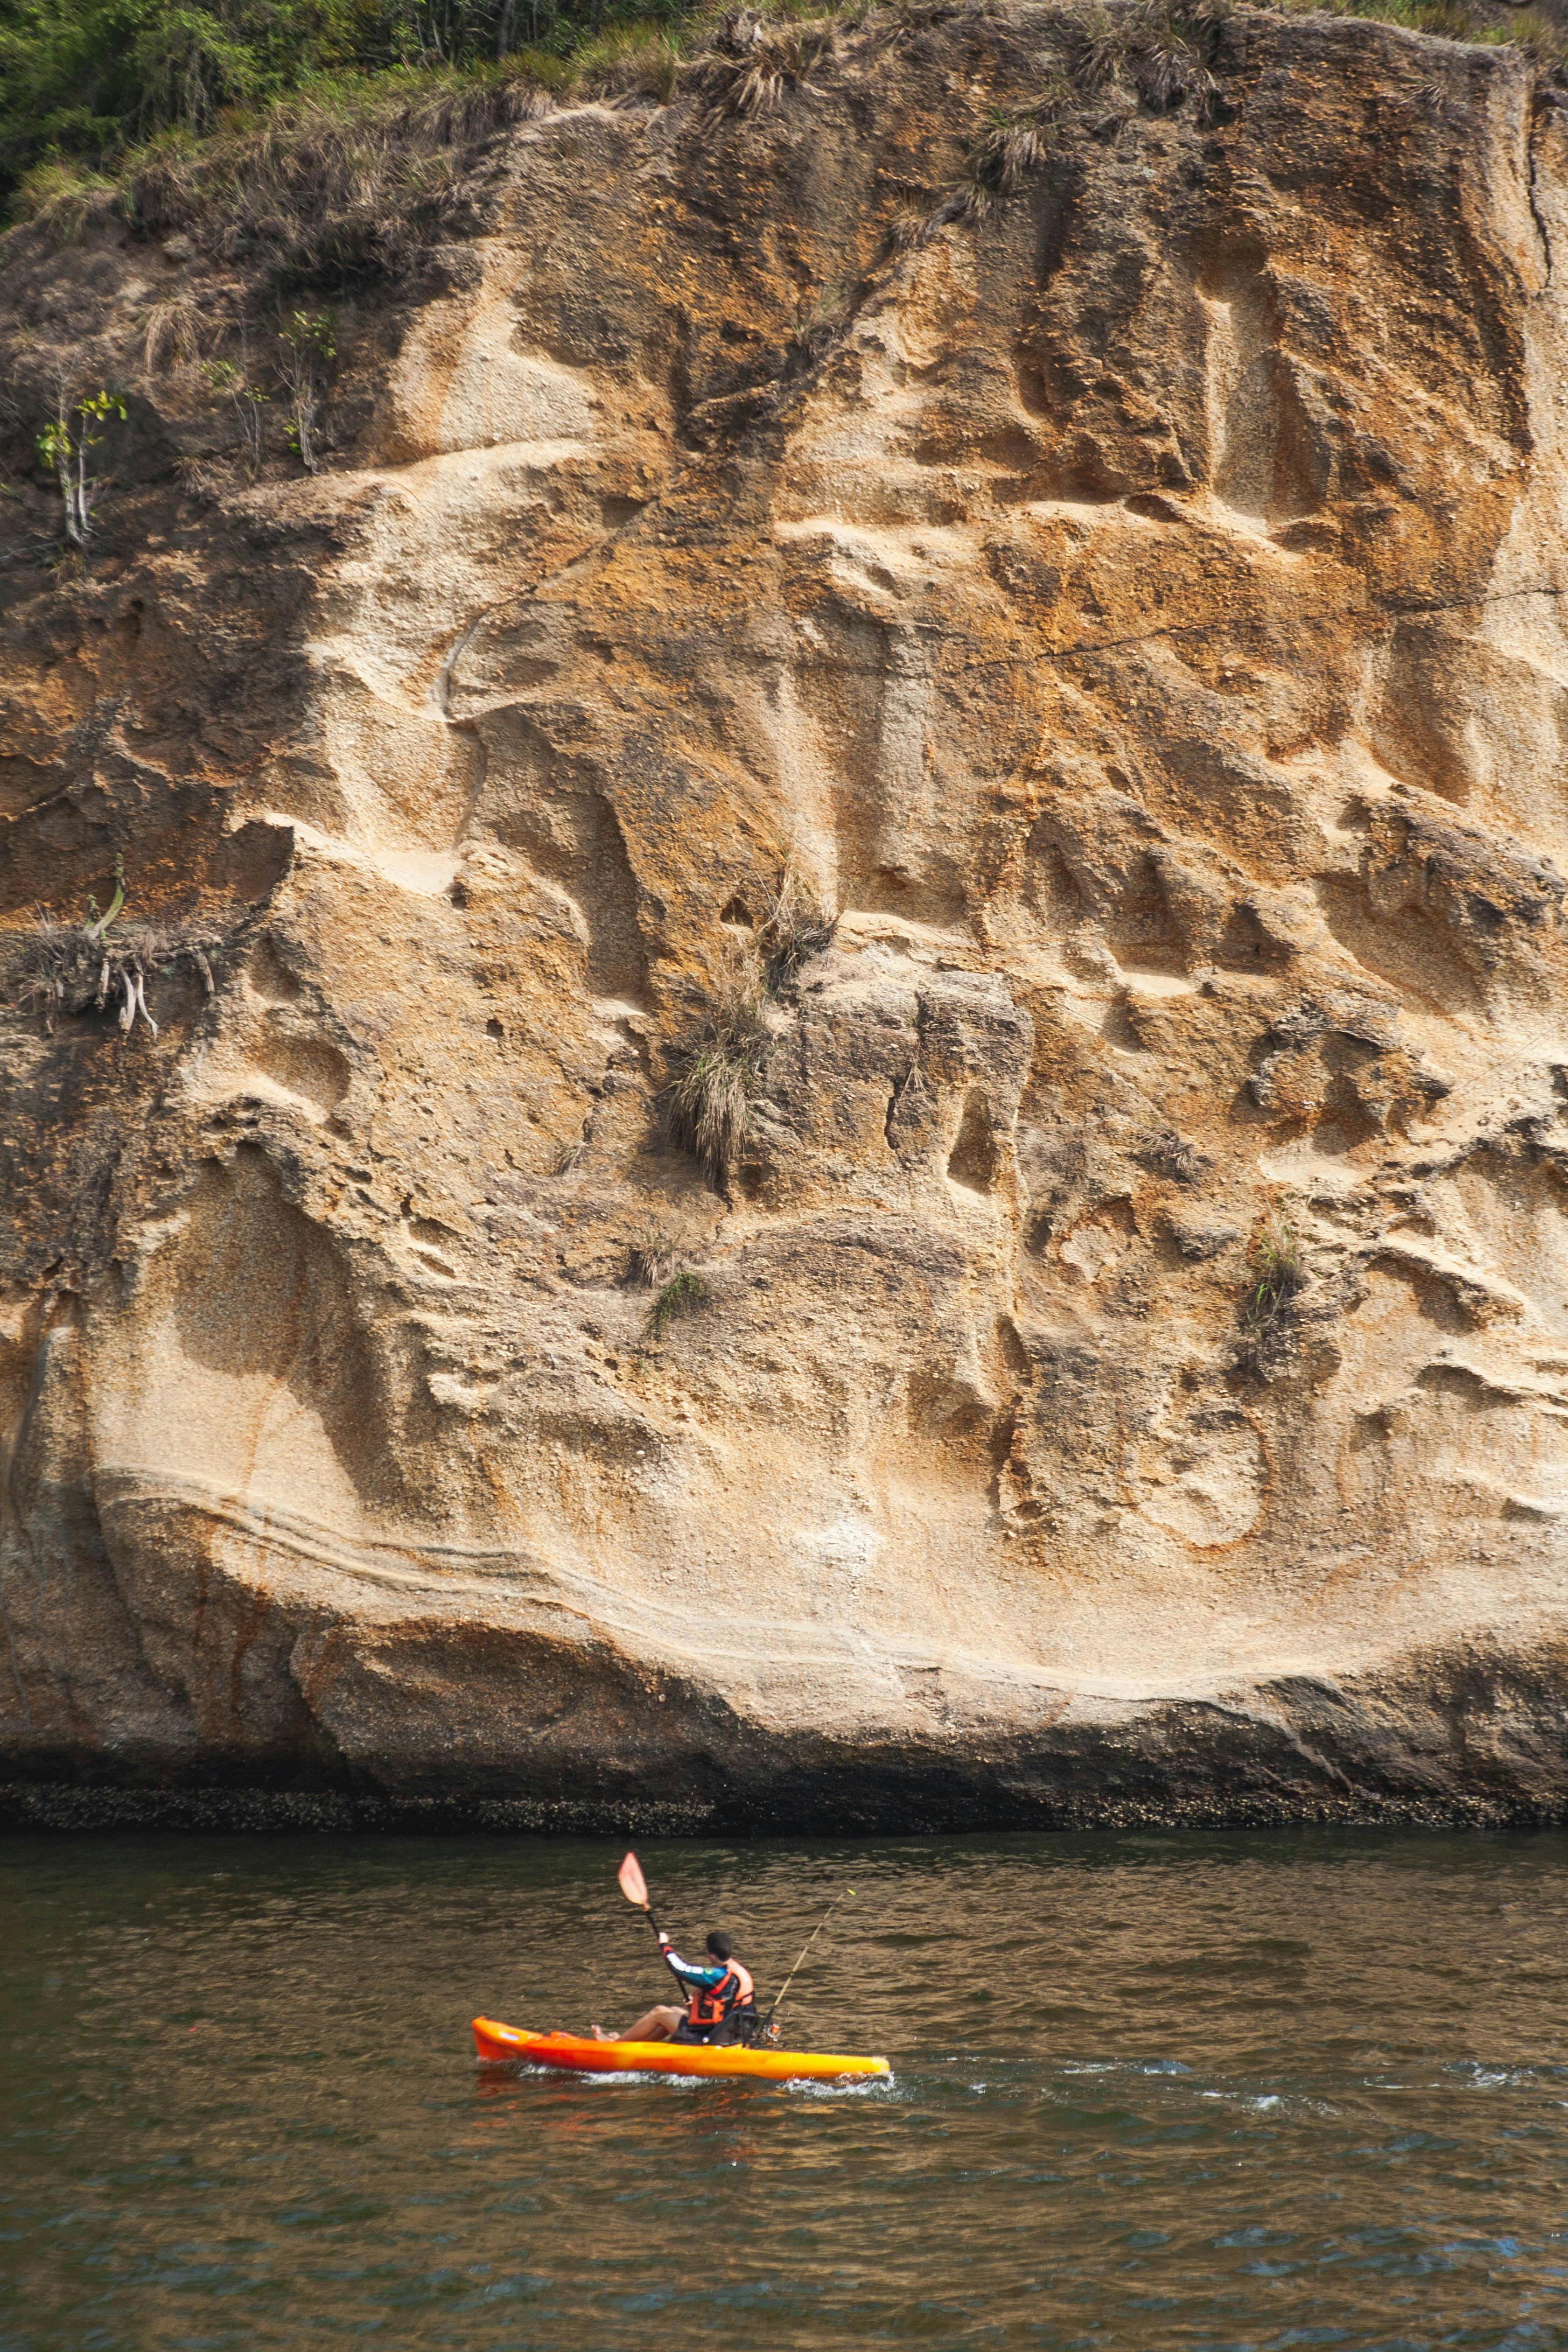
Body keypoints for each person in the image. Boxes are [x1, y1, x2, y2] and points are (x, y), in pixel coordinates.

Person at [592, 1926, 760, 2047]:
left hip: (710, 2036)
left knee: (659, 2012)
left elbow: (680, 1968)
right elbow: (727, 2003)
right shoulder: (738, 1972)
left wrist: (664, 1945)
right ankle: (635, 2047)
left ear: (711, 1956)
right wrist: (698, 2008)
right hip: (730, 2033)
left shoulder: (717, 1975)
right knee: (673, 2011)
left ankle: (614, 2046)